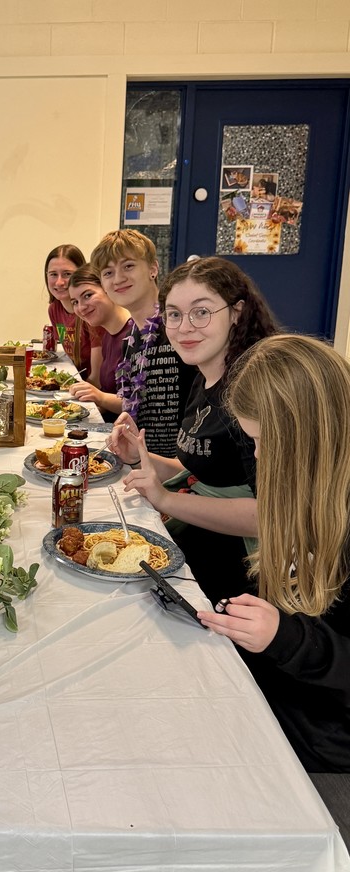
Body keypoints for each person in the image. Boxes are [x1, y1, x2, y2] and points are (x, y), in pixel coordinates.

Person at [198, 335, 350, 837]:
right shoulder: (309, 489)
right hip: (284, 698)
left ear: (304, 437)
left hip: (324, 747)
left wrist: (286, 639)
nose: (259, 457)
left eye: (264, 442)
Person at [109, 256, 278, 603]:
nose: (184, 327)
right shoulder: (204, 375)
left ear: (237, 312)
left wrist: (166, 498)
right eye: (173, 314)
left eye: (201, 312)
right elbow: (203, 471)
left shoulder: (254, 392)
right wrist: (142, 459)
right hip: (206, 532)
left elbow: (270, 516)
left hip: (249, 566)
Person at [91, 229, 195, 457]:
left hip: (183, 473)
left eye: (128, 266)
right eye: (108, 272)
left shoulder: (179, 325)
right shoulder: (131, 340)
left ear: (153, 269)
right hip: (145, 464)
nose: (118, 279)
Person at [66, 263, 131, 422]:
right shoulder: (108, 336)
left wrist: (100, 397)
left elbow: (140, 405)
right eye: (75, 302)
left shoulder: (134, 336)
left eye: (88, 295)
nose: (81, 307)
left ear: (108, 289)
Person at [43, 244, 101, 379]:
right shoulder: (54, 309)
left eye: (67, 274)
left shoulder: (90, 311)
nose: (59, 282)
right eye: (53, 274)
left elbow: (96, 379)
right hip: (75, 379)